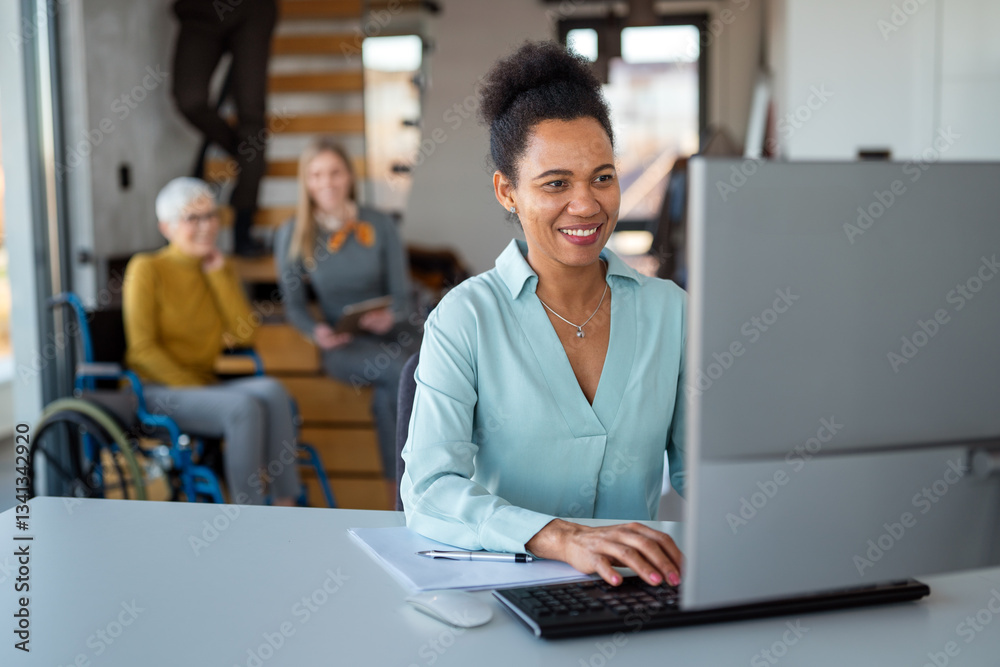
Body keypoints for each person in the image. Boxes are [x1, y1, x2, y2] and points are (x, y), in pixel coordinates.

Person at [400, 42, 686, 588]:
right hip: (503, 589)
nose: (586, 204)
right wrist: (562, 537)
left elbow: (710, 477)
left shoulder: (670, 312)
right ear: (507, 191)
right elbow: (429, 489)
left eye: (602, 177)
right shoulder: (466, 319)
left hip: (635, 591)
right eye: (556, 183)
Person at [123, 177, 300, 506]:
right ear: (167, 227)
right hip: (156, 390)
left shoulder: (217, 267)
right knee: (242, 407)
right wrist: (196, 387)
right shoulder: (147, 269)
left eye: (211, 216)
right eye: (193, 218)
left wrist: (219, 275)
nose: (206, 226)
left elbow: (246, 333)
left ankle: (285, 503)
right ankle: (250, 512)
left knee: (273, 391)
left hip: (203, 385)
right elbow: (142, 351)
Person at [273, 138, 421, 504]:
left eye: (335, 172)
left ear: (349, 177)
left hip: (392, 333)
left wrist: (389, 316)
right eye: (317, 174)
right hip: (343, 345)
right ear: (306, 181)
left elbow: (402, 295)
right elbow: (293, 307)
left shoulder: (379, 223)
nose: (327, 183)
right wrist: (315, 332)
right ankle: (405, 494)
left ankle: (398, 498)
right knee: (403, 372)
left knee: (401, 382)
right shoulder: (293, 232)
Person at [170, 0, 277, 256]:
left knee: (251, 117)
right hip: (200, 10)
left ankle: (243, 227)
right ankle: (244, 153)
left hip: (253, 10)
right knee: (189, 99)